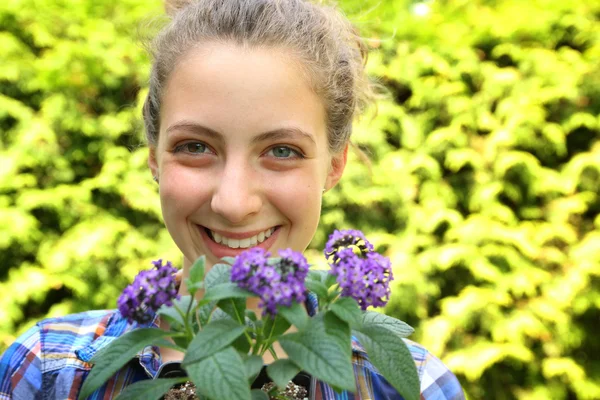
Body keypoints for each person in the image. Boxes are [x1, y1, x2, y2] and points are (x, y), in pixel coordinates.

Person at [0, 0, 465, 399]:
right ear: (154, 158)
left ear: (335, 164)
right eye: (195, 147)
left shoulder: (411, 386)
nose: (234, 202)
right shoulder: (49, 374)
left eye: (282, 151)